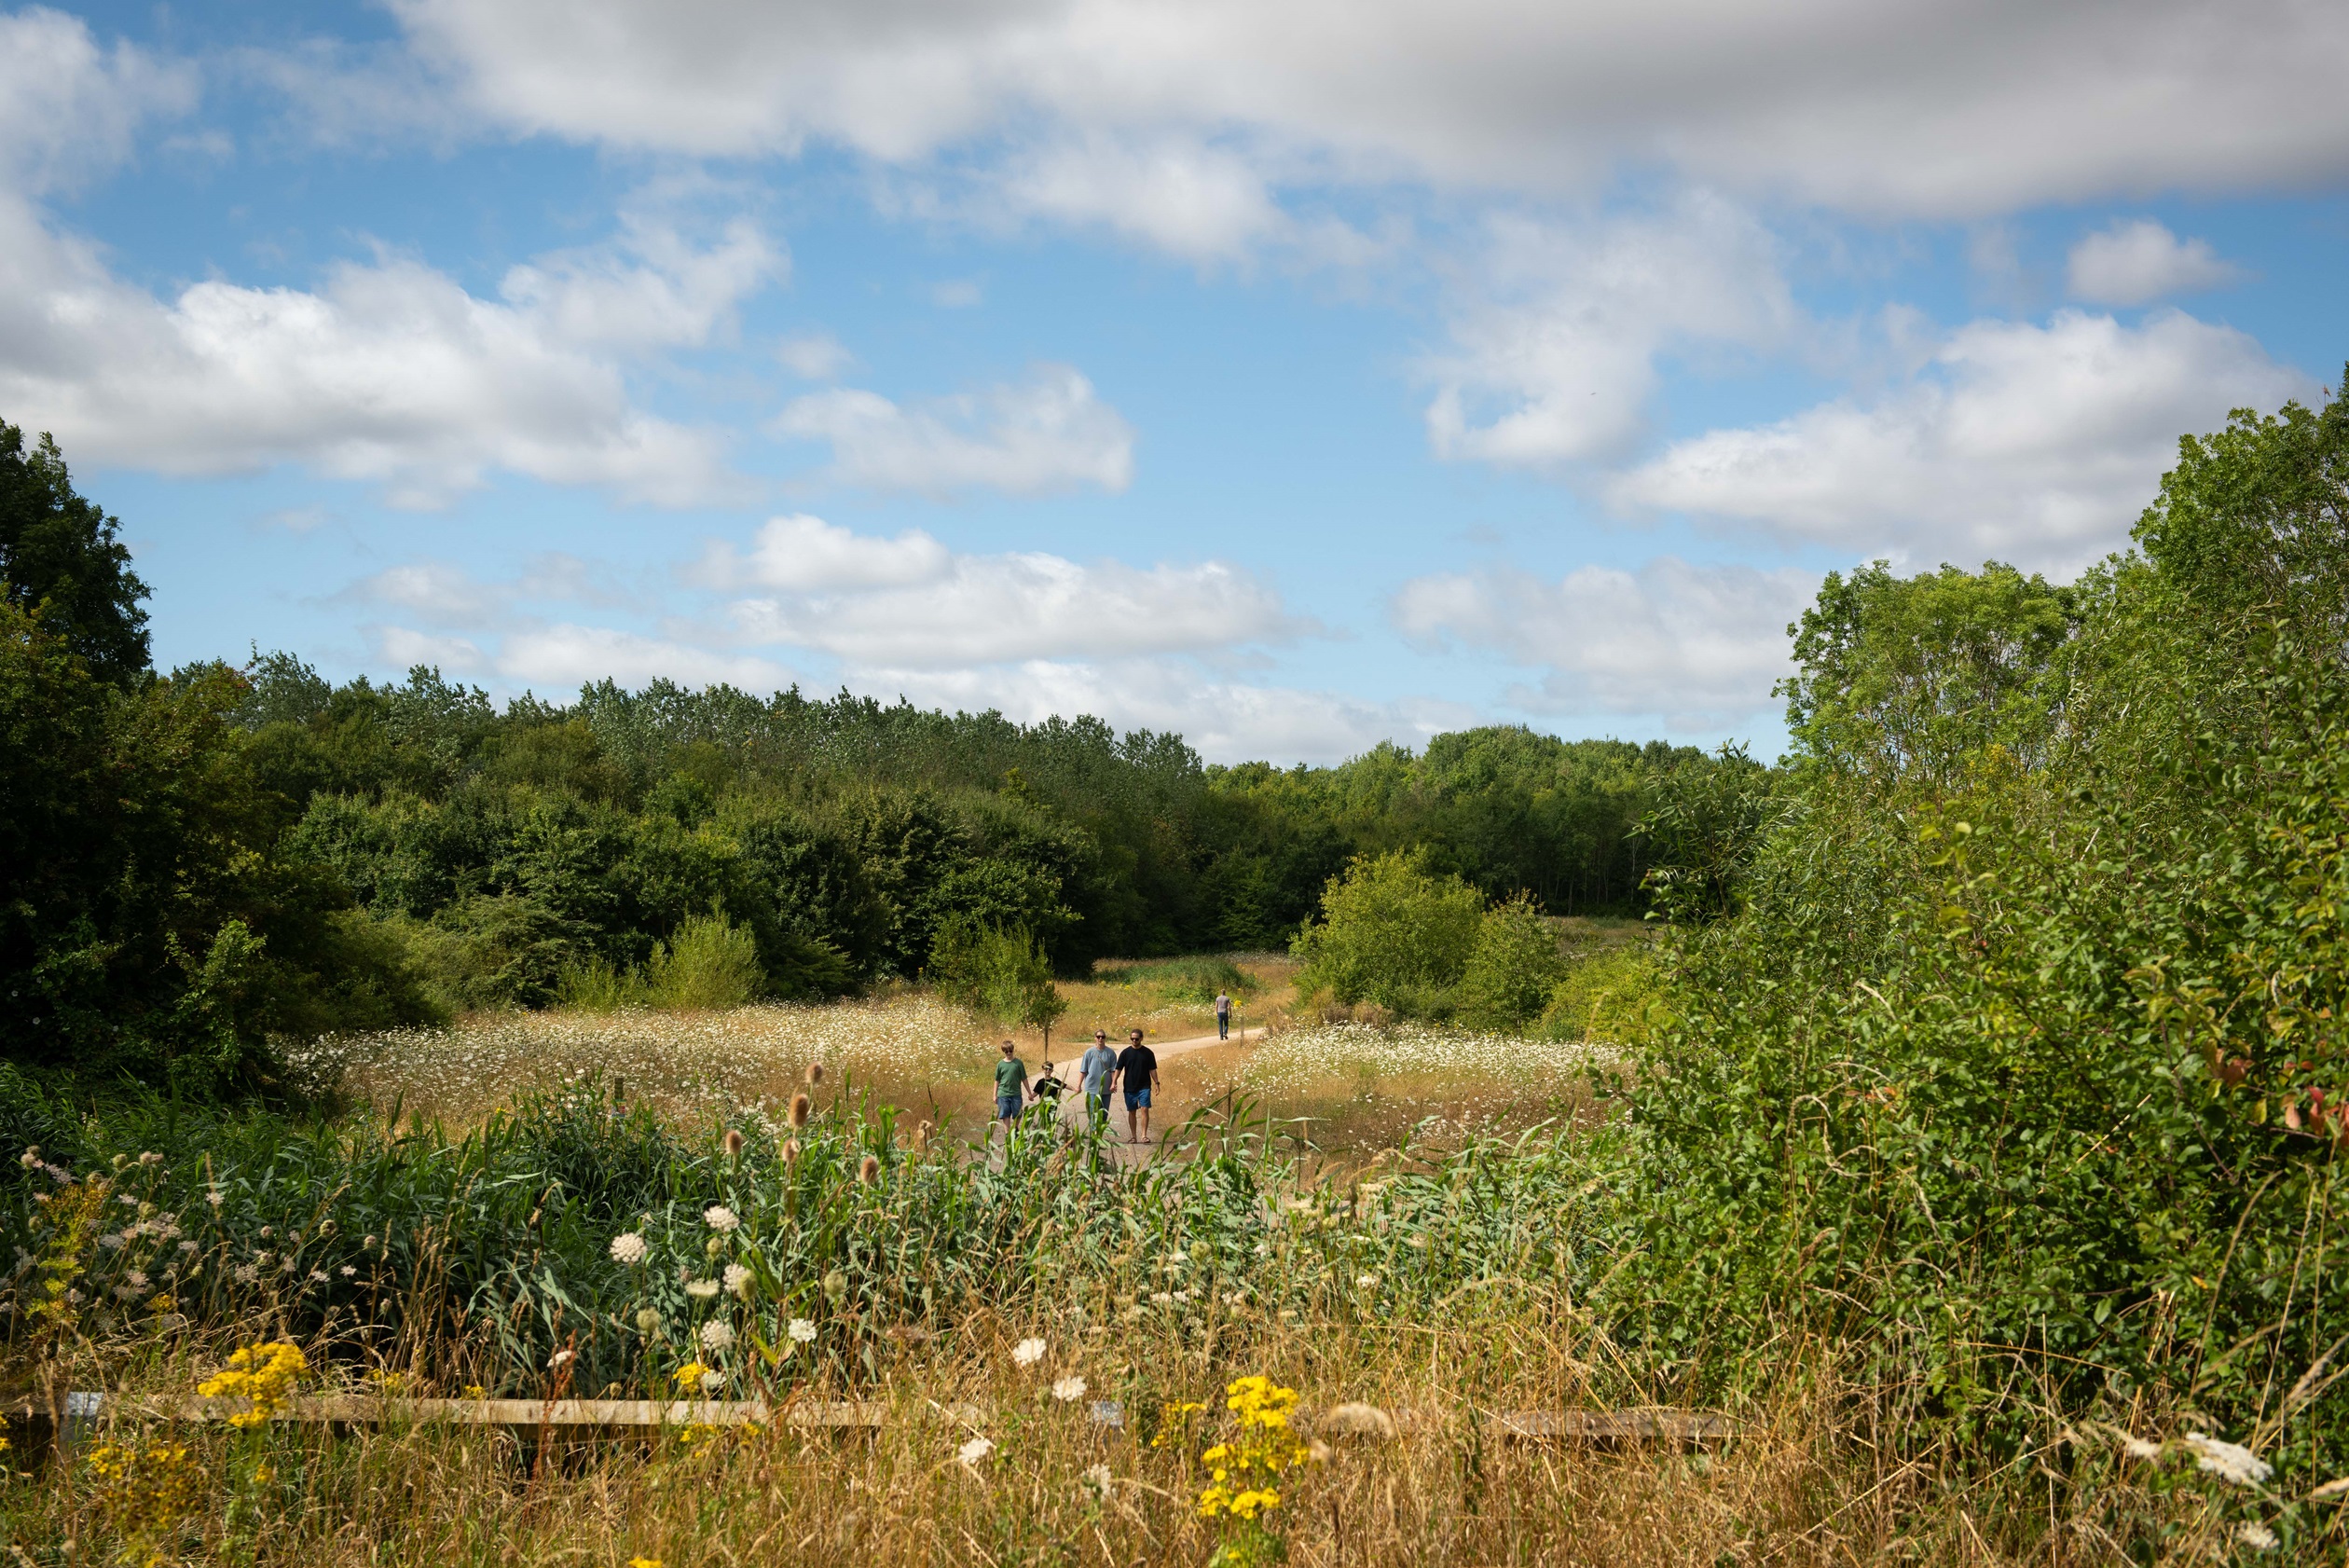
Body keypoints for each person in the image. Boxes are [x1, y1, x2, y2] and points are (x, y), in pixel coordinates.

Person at [1114, 1027, 1158, 1144]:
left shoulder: (1148, 1053)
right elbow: (1118, 1069)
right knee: (1132, 1111)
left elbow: (1152, 1069)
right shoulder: (1125, 1053)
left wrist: (1157, 1083)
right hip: (1129, 1086)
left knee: (1144, 1109)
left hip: (1144, 1086)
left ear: (1141, 1038)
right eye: (1132, 1039)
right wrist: (1114, 1082)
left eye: (1136, 1039)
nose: (1134, 1041)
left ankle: (1144, 1135)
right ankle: (1134, 1137)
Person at [1078, 1030, 1119, 1131]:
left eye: (1103, 1037)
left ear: (1105, 1038)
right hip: (1092, 1088)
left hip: (1106, 1088)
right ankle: (1094, 1137)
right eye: (1098, 1036)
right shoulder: (1089, 1052)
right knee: (1093, 1113)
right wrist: (1078, 1085)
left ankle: (1099, 1133)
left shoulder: (1111, 1053)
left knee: (1104, 1114)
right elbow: (1083, 1070)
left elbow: (1114, 1070)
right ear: (1095, 1037)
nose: (1100, 1039)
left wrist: (1114, 1083)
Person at [994, 1039, 1028, 1142]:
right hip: (1003, 1093)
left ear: (1013, 1050)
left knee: (1018, 1113)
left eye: (1010, 1051)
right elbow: (997, 1080)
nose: (1008, 1053)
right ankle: (1007, 1134)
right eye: (1006, 1052)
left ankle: (1016, 1128)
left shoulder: (1018, 1063)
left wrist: (1030, 1093)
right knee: (1005, 1114)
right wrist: (994, 1095)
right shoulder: (1000, 1064)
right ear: (1004, 1052)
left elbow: (1024, 1078)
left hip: (1016, 1093)